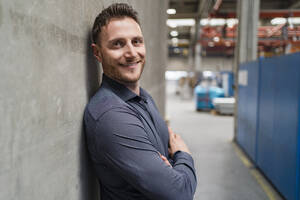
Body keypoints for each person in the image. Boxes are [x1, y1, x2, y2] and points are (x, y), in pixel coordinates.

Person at [84, 3, 197, 200]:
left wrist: (170, 169)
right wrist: (183, 154)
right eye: (117, 44)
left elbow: (167, 166)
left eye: (136, 41)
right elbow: (180, 192)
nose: (131, 53)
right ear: (97, 53)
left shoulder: (143, 97)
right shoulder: (111, 116)